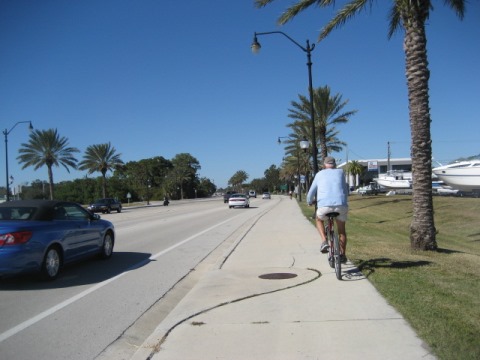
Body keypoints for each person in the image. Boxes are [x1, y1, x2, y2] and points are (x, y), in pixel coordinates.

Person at [307, 156, 349, 263]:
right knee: (342, 231)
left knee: (318, 219)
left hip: (324, 206)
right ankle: (342, 254)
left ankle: (324, 241)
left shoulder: (319, 174)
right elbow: (345, 189)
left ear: (324, 165)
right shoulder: (340, 173)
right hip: (341, 205)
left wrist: (309, 201)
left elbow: (311, 193)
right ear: (334, 165)